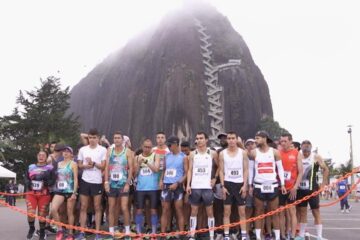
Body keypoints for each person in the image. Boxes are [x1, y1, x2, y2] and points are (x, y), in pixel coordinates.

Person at [248, 131, 286, 240]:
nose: (256, 140)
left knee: (274, 212)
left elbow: (280, 169)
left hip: (272, 185)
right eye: (255, 138)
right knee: (259, 212)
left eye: (258, 138)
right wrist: (250, 185)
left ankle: (277, 237)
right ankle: (259, 237)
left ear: (265, 138)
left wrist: (282, 184)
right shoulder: (253, 153)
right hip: (259, 185)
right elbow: (251, 170)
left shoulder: (275, 152)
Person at [186, 132, 218, 240]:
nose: (199, 140)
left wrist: (215, 178)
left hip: (207, 187)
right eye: (197, 138)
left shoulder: (212, 153)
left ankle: (212, 236)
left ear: (206, 140)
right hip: (195, 186)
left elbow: (219, 167)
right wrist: (188, 185)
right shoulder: (192, 154)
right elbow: (190, 170)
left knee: (210, 212)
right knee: (194, 211)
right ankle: (192, 235)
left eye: (201, 138)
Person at [295, 140, 329, 240]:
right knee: (302, 212)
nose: (306, 151)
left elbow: (325, 169)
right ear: (301, 147)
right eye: (304, 149)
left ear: (310, 148)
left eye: (308, 149)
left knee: (316, 212)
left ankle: (319, 236)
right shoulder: (298, 156)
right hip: (300, 188)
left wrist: (323, 185)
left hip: (312, 188)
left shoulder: (316, 157)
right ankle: (301, 234)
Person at [76, 128, 107, 240]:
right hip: (85, 180)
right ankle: (82, 232)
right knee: (83, 207)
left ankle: (98, 233)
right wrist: (86, 166)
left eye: (94, 137)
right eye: (90, 137)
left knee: (97, 207)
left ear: (98, 138)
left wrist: (93, 163)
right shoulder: (83, 149)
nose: (92, 140)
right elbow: (79, 165)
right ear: (88, 138)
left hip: (97, 181)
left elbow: (103, 166)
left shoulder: (103, 149)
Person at [219, 132, 249, 240]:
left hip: (240, 184)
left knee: (242, 212)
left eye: (233, 138)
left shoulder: (243, 153)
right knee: (227, 211)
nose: (231, 140)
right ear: (227, 140)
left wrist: (245, 185)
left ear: (237, 140)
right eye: (229, 138)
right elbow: (221, 171)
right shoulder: (222, 153)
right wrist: (223, 186)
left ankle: (244, 235)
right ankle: (226, 235)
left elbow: (246, 170)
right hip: (228, 184)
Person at [104, 131, 134, 239]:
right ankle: (111, 233)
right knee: (111, 208)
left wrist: (127, 183)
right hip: (112, 184)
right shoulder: (109, 150)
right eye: (115, 138)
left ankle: (127, 232)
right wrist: (106, 182)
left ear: (122, 140)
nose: (116, 140)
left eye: (118, 138)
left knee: (124, 207)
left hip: (123, 184)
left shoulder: (128, 151)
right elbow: (107, 167)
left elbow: (131, 168)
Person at [159, 136, 188, 237]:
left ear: (176, 144)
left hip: (178, 186)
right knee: (165, 209)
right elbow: (164, 170)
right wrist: (161, 180)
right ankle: (163, 233)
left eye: (170, 145)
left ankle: (181, 233)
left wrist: (178, 183)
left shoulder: (183, 157)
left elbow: (186, 173)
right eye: (168, 145)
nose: (169, 147)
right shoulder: (166, 156)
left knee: (178, 209)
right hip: (166, 185)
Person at [25, 150, 55, 240]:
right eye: (39, 155)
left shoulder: (50, 168)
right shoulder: (31, 167)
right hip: (31, 193)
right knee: (31, 213)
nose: (41, 156)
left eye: (43, 155)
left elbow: (53, 180)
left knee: (42, 214)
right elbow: (26, 178)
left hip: (44, 194)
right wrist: (28, 183)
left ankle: (42, 232)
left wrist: (47, 183)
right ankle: (31, 228)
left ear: (46, 157)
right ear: (37, 156)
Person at [134, 139, 160, 240]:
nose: (147, 149)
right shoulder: (137, 157)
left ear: (152, 147)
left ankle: (153, 233)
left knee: (153, 210)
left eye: (149, 147)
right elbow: (134, 174)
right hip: (140, 188)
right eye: (145, 147)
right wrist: (138, 165)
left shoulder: (155, 155)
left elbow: (156, 169)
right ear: (142, 146)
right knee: (139, 210)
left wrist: (146, 162)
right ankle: (139, 232)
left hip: (153, 188)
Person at [278, 133, 303, 240]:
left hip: (291, 187)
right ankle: (283, 235)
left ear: (290, 141)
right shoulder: (277, 153)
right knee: (281, 212)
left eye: (285, 141)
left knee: (292, 212)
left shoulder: (297, 153)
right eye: (281, 141)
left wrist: (295, 187)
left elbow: (301, 172)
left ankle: (292, 236)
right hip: (280, 187)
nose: (283, 143)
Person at [51, 146, 78, 240]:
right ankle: (60, 230)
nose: (65, 153)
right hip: (59, 190)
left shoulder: (73, 164)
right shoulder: (58, 164)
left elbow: (75, 179)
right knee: (54, 209)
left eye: (68, 151)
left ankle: (70, 234)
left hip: (70, 191)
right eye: (64, 151)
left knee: (69, 212)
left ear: (71, 154)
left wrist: (74, 193)